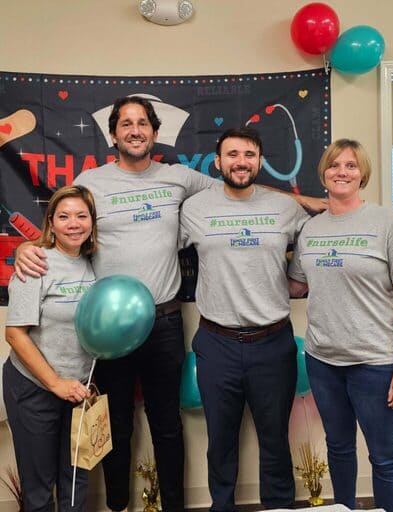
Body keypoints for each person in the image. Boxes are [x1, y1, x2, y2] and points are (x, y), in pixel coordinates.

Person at [13, 96, 327, 512]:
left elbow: (241, 186)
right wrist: (27, 249)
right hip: (108, 329)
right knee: (116, 424)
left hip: (163, 320)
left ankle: (175, 506)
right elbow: (63, 222)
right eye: (126, 124)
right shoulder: (92, 182)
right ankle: (120, 505)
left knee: (166, 424)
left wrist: (311, 203)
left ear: (155, 133)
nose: (135, 130)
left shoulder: (179, 177)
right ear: (113, 135)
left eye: (143, 123)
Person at [288, 139, 393, 512]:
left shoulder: (390, 223)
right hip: (323, 360)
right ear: (324, 173)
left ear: (363, 174)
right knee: (339, 448)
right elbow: (296, 285)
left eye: (351, 165)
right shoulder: (311, 231)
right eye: (334, 165)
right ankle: (342, 508)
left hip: (375, 363)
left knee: (385, 458)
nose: (342, 172)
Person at [179, 127, 309, 511]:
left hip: (273, 343)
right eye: (232, 154)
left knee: (274, 440)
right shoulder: (195, 208)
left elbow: (316, 241)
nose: (241, 162)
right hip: (217, 343)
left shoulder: (285, 208)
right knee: (221, 442)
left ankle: (279, 507)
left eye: (249, 154)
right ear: (218, 162)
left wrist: (297, 279)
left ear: (260, 161)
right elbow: (151, 245)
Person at [3, 185, 97, 512]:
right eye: (64, 216)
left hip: (81, 389)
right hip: (35, 387)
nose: (74, 223)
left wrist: (74, 386)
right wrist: (55, 383)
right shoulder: (36, 264)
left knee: (76, 481)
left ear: (92, 222)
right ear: (51, 223)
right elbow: (15, 334)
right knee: (40, 487)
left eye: (81, 216)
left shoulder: (97, 264)